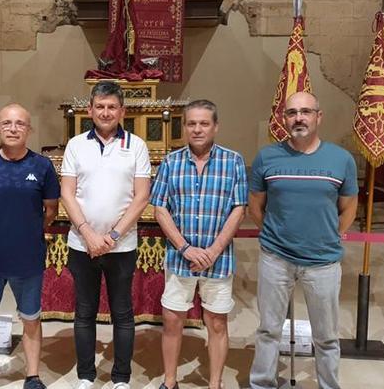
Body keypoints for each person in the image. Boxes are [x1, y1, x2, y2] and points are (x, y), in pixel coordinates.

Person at [248, 92, 358, 389]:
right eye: (292, 112)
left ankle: (328, 385)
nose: (299, 118)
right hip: (276, 259)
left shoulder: (341, 159)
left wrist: (330, 234)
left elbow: (349, 207)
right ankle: (262, 384)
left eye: (306, 112)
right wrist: (275, 233)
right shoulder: (267, 157)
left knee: (326, 336)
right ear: (284, 118)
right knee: (269, 330)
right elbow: (255, 206)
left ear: (318, 117)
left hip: (322, 262)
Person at [0, 104, 60, 389]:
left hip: (28, 259)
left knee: (31, 320)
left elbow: (50, 210)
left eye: (19, 124)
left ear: (29, 130)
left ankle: (32, 376)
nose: (13, 129)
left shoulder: (42, 166)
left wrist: (28, 232)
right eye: (7, 123)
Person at [60, 81, 151, 389]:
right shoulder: (75, 145)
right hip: (81, 244)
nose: (106, 112)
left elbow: (141, 197)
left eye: (112, 107)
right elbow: (67, 193)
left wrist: (111, 236)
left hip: (121, 245)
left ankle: (121, 378)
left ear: (122, 111)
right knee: (84, 311)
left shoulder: (136, 145)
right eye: (100, 106)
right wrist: (87, 233)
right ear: (90, 110)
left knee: (122, 314)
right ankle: (86, 376)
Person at [150, 100, 247, 389]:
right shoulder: (171, 161)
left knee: (217, 323)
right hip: (180, 258)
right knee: (172, 320)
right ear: (185, 127)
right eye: (191, 123)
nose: (197, 129)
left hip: (219, 259)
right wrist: (185, 248)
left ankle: (215, 383)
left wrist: (214, 250)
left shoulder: (233, 161)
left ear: (215, 126)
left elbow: (239, 208)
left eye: (204, 123)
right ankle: (170, 382)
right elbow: (160, 208)